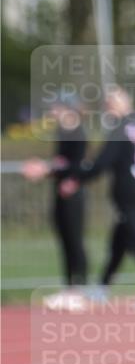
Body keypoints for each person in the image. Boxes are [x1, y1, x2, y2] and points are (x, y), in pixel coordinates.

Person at [73, 85, 135, 311]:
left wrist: (77, 177)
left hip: (126, 190)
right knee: (120, 240)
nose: (108, 107)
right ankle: (101, 289)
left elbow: (102, 162)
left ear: (123, 104)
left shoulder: (121, 129)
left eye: (111, 103)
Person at [22, 93, 89, 310]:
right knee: (65, 240)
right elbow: (61, 164)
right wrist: (44, 169)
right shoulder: (62, 132)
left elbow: (76, 166)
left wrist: (46, 169)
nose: (53, 112)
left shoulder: (78, 133)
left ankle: (80, 288)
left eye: (56, 108)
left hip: (74, 197)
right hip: (60, 195)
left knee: (75, 240)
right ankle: (69, 287)